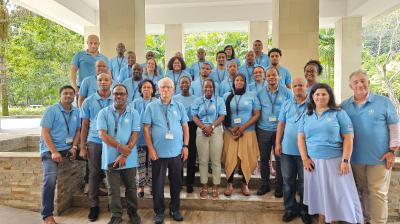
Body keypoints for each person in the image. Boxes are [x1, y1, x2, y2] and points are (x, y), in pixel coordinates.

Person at [298, 83, 363, 224]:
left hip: (335, 162)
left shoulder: (339, 113)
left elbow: (348, 137)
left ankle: (333, 220)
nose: (320, 97)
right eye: (317, 94)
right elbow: (301, 138)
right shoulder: (307, 115)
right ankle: (322, 219)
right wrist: (304, 159)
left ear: (329, 96)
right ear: (312, 97)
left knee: (337, 195)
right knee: (320, 195)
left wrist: (345, 160)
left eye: (324, 94)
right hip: (313, 163)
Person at [341, 70, 399, 224]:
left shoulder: (383, 102)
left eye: (363, 81)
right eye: (356, 82)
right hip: (355, 159)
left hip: (380, 158)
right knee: (363, 190)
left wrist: (392, 151)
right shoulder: (345, 105)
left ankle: (378, 222)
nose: (360, 84)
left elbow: (394, 127)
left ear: (369, 83)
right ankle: (367, 219)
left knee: (378, 193)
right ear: (350, 86)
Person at [143, 78, 189, 224]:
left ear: (173, 89)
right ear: (158, 89)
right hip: (158, 154)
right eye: (163, 87)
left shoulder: (179, 106)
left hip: (176, 153)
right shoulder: (151, 106)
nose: (165, 90)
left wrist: (186, 146)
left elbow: (185, 127)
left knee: (176, 183)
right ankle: (159, 212)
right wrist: (150, 148)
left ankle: (175, 209)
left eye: (168, 87)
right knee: (157, 185)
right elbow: (146, 128)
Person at [97, 84, 141, 224]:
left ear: (127, 96)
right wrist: (119, 147)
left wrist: (124, 154)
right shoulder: (103, 113)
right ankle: (116, 215)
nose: (119, 96)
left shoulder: (134, 113)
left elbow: (135, 134)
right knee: (113, 190)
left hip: (129, 159)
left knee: (131, 188)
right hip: (109, 159)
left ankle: (133, 213)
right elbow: (102, 135)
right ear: (112, 95)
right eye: (116, 94)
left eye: (122, 94)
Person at [40, 85, 80, 224]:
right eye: (65, 93)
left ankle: (94, 187)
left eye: (71, 93)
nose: (68, 96)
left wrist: (74, 147)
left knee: (93, 156)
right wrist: (54, 152)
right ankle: (47, 215)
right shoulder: (51, 110)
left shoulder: (76, 111)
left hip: (68, 148)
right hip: (50, 150)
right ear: (60, 95)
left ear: (74, 96)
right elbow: (45, 132)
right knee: (50, 179)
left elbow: (78, 131)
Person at [275, 77, 311, 223]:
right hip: (287, 150)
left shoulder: (313, 104)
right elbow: (281, 125)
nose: (297, 88)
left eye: (300, 85)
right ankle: (290, 208)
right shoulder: (286, 104)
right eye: (295, 85)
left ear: (306, 86)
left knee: (304, 182)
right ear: (292, 88)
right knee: (288, 181)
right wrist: (277, 143)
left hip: (306, 153)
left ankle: (304, 209)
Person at [80, 73, 113, 222]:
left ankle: (114, 204)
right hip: (95, 141)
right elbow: (84, 125)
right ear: (97, 82)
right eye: (100, 80)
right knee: (93, 174)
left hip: (113, 142)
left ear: (110, 81)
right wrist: (82, 146)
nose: (103, 82)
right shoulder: (88, 101)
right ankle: (94, 206)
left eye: (106, 80)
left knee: (112, 173)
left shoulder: (117, 98)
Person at [256, 67, 292, 197]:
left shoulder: (287, 92)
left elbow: (291, 111)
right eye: (269, 75)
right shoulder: (260, 93)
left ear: (279, 77)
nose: (271, 77)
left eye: (274, 75)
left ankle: (279, 186)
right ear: (265, 78)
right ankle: (264, 184)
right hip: (263, 130)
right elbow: (257, 111)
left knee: (280, 159)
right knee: (264, 159)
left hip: (280, 131)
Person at [222, 74, 260, 197]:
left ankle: (245, 183)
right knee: (230, 158)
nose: (239, 82)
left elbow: (256, 114)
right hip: (231, 133)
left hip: (247, 132)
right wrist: (230, 128)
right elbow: (222, 114)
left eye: (241, 80)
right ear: (233, 82)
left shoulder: (252, 95)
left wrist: (243, 127)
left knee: (246, 157)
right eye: (237, 80)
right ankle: (229, 184)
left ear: (245, 82)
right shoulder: (227, 96)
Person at [192, 78, 226, 200]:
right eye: (206, 87)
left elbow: (222, 116)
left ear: (214, 88)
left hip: (216, 130)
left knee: (216, 161)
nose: (208, 89)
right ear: (202, 88)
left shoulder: (220, 100)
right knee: (203, 160)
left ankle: (215, 186)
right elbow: (194, 116)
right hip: (201, 131)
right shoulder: (197, 101)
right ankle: (204, 185)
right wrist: (203, 127)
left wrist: (211, 127)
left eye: (210, 87)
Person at [132, 79, 157, 198]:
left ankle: (152, 186)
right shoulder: (136, 102)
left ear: (153, 89)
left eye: (149, 87)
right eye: (144, 87)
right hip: (140, 138)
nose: (146, 89)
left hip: (154, 139)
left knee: (152, 164)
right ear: (141, 90)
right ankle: (141, 187)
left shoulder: (157, 102)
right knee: (140, 164)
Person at [173, 76, 198, 193]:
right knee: (179, 157)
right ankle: (178, 182)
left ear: (190, 84)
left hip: (192, 127)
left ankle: (190, 182)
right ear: (179, 85)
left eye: (186, 82)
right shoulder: (174, 99)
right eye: (182, 83)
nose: (184, 84)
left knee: (191, 156)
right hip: (178, 127)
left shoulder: (196, 99)